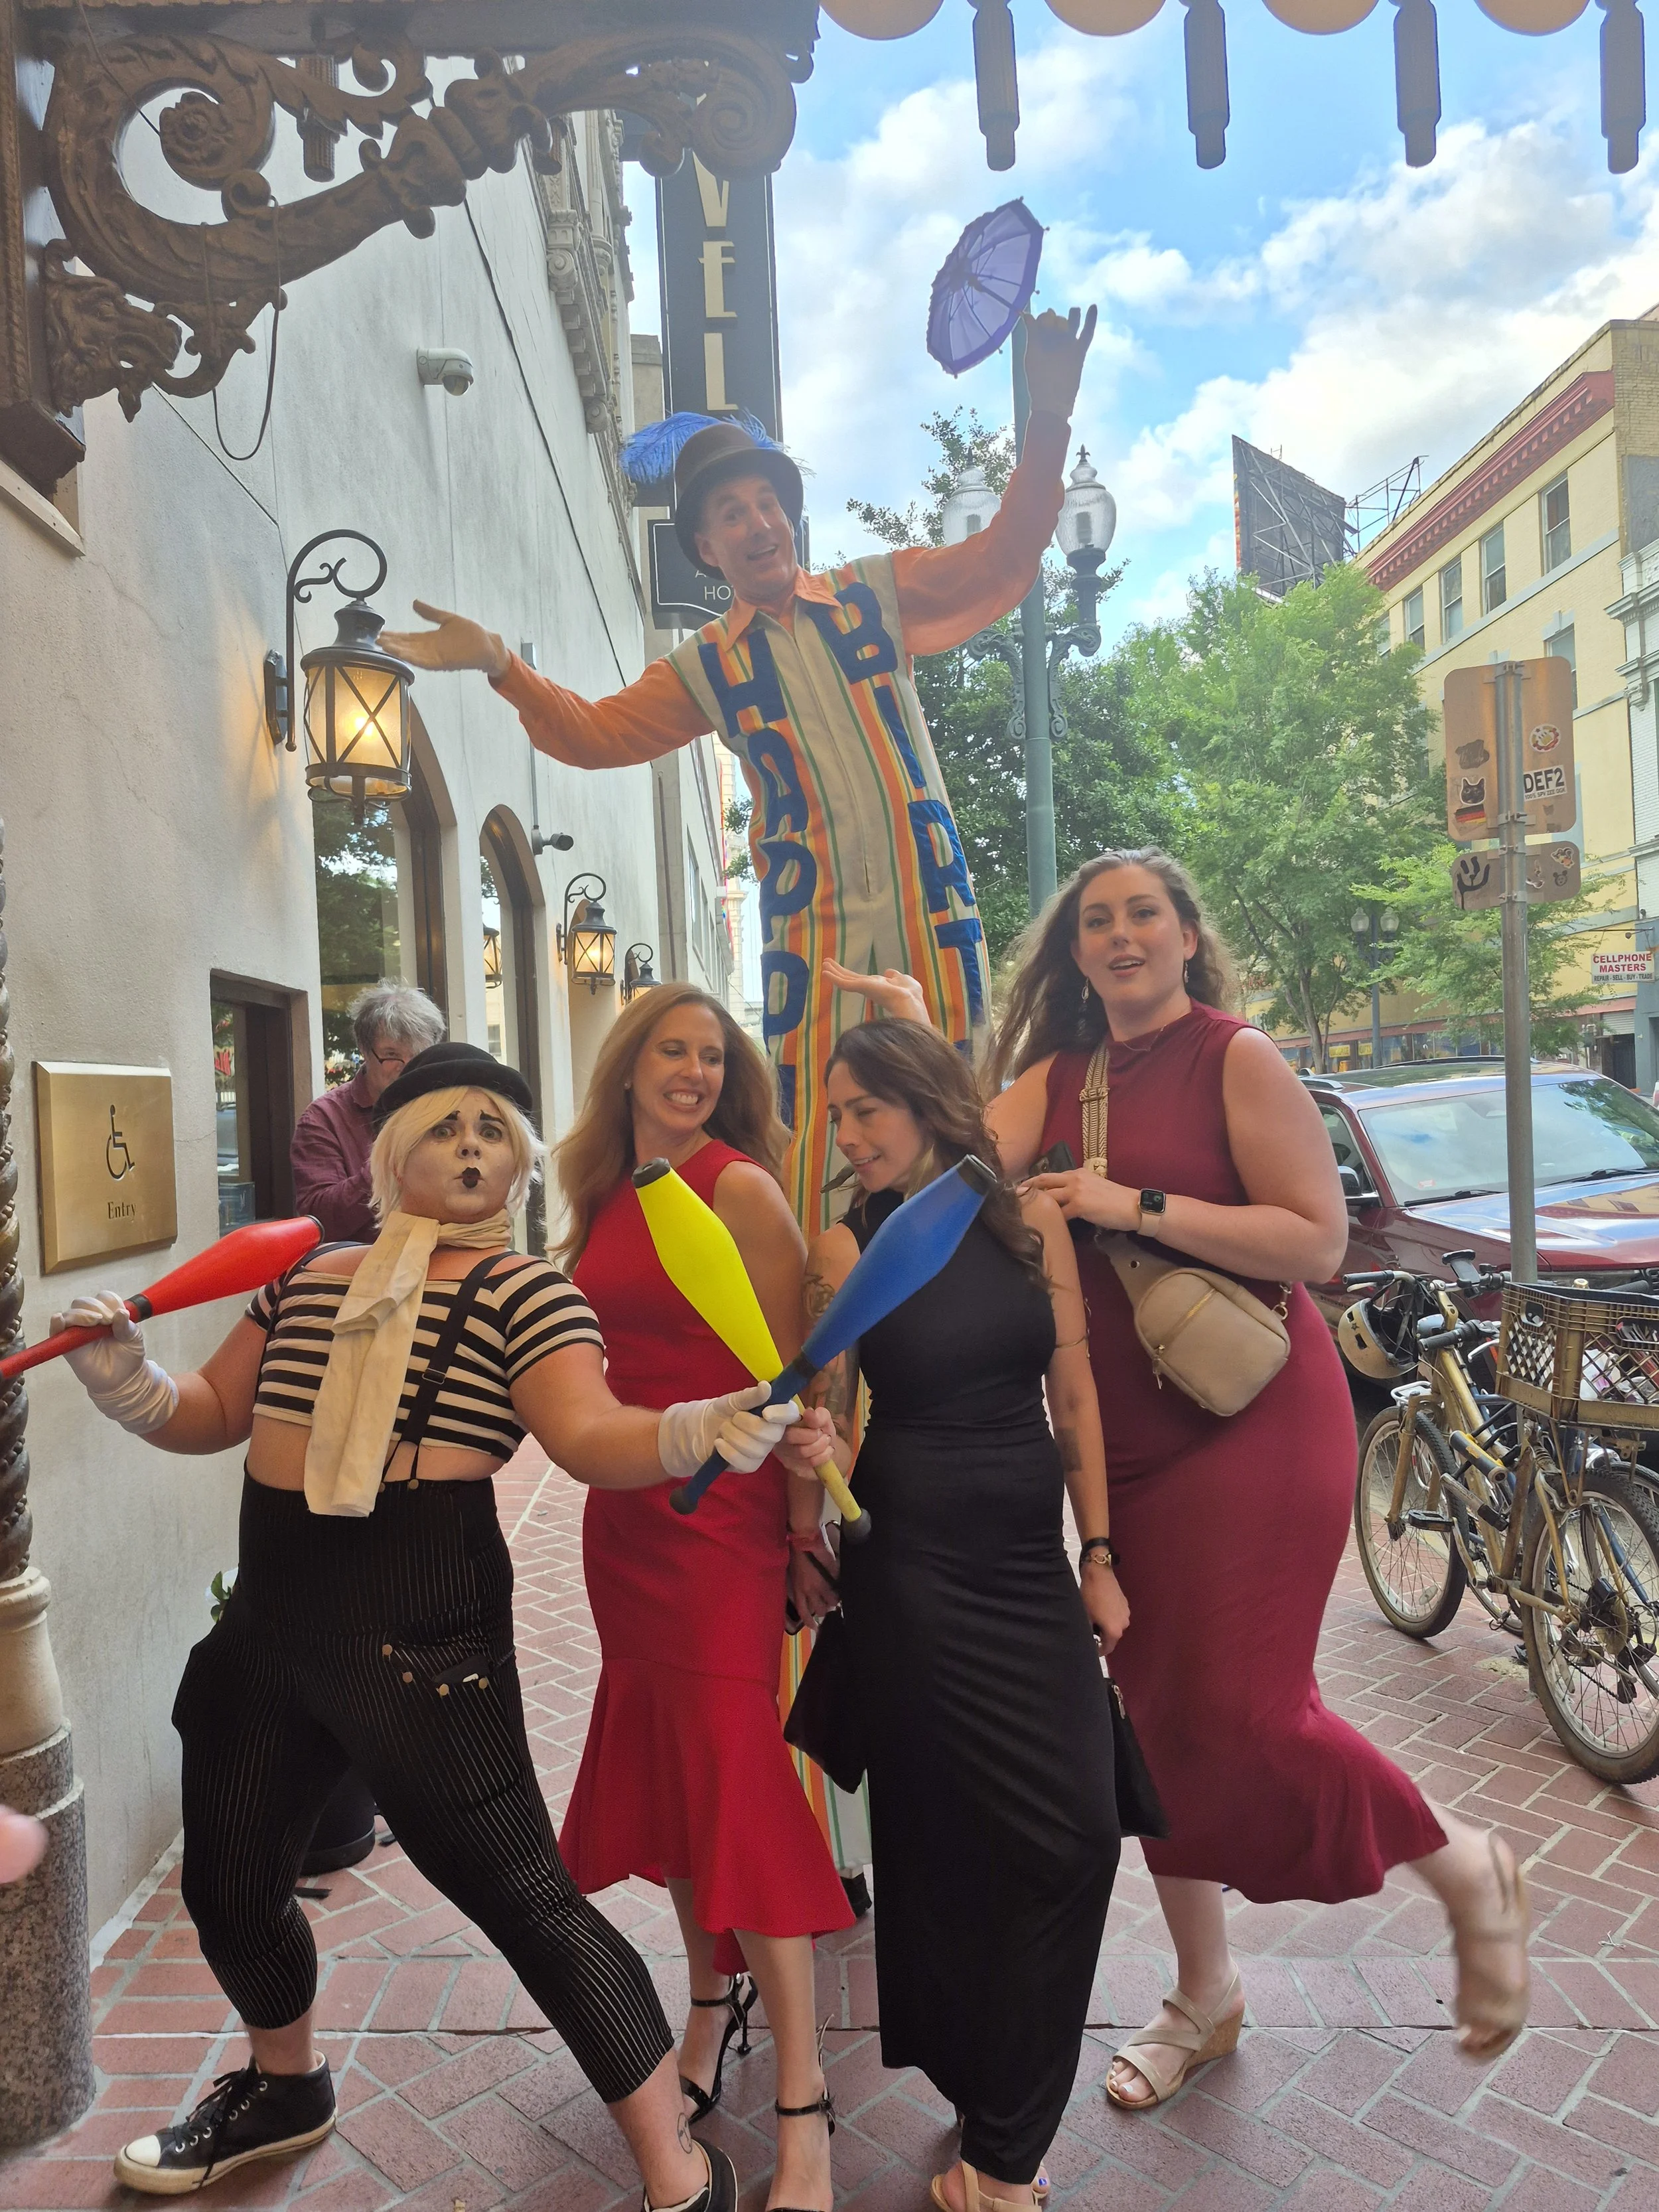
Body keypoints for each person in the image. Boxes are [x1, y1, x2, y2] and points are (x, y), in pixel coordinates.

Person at [54, 1040, 806, 2206]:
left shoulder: (529, 1291)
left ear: (517, 1166)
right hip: (272, 1617)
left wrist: (689, 1428)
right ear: (391, 1153)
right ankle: (285, 2085)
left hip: (426, 1634)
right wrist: (129, 1382)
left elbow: (588, 1434)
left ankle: (679, 2165)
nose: (470, 1148)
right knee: (233, 1883)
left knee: (529, 1904)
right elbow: (211, 1412)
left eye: (493, 1130)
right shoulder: (307, 1276)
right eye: (444, 1127)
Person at [975, 849, 1531, 2103]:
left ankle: (1464, 1870)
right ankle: (1204, 1993)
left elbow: (1315, 1238)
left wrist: (1131, 1199)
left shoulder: (1238, 1056)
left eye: (1144, 915)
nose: (1121, 935)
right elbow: (960, 1169)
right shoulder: (1053, 1079)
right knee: (1160, 1714)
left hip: (1254, 1420)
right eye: (1097, 920)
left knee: (1252, 1711)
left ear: (1185, 935)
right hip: (1121, 1446)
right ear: (1074, 952)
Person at [378, 306, 1099, 1233]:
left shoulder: (872, 595)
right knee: (816, 1122)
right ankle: (828, 1356)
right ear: (707, 548)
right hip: (814, 930)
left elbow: (1003, 559)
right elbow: (594, 734)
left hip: (931, 902)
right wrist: (499, 665)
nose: (759, 523)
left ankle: (981, 1292)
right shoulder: (707, 665)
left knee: (958, 1090)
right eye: (732, 513)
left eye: (768, 504)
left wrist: (1047, 420)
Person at [784, 1019, 1127, 2212]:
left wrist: (1101, 1550)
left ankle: (1001, 2113)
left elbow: (1072, 1390)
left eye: (867, 1108)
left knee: (1079, 1831)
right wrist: (808, 1475)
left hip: (1032, 1566)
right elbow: (819, 1407)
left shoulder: (1027, 1217)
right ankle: (1000, 2152)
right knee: (951, 1841)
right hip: (914, 1569)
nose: (851, 1132)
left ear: (927, 1100)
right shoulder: (848, 1240)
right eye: (837, 1114)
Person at [554, 985, 851, 2212]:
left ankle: (805, 2103)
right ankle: (708, 1999)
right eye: (670, 1051)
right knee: (680, 1777)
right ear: (626, 1067)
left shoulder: (739, 1185)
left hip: (723, 1524)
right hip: (627, 1513)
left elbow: (791, 1373)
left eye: (712, 1057)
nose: (691, 1071)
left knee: (736, 1778)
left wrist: (800, 1530)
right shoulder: (599, 1191)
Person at [290, 984, 446, 1240]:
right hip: (360, 1271)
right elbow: (319, 1221)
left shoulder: (448, 1106)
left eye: (418, 1056)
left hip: (449, 1263)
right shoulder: (324, 1118)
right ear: (364, 1050)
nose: (406, 1069)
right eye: (392, 1055)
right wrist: (388, 1160)